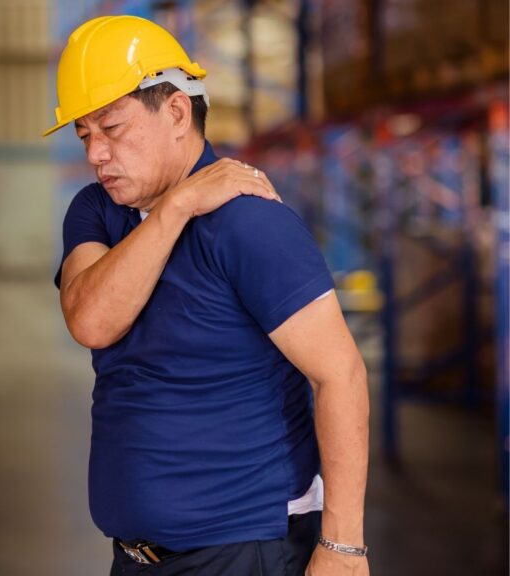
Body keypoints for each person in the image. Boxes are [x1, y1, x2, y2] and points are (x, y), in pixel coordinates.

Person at [45, 15, 369, 576]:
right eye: (84, 135)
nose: (96, 153)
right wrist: (176, 207)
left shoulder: (248, 224)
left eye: (111, 128)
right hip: (138, 557)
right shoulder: (97, 210)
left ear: (175, 112)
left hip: (243, 551)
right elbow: (91, 321)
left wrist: (342, 548)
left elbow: (339, 374)